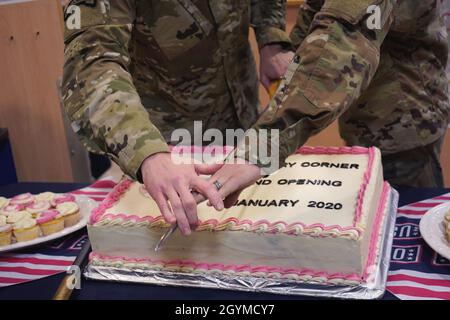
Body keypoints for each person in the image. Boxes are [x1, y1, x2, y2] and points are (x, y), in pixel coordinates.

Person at [61, 0, 293, 235]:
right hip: (168, 146)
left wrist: (270, 35)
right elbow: (92, 65)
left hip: (244, 111)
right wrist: (147, 153)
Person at [201, 0, 450, 210]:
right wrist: (293, 56)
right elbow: (322, 8)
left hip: (403, 120)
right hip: (368, 108)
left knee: (401, 235)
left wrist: (261, 148)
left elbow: (344, 38)